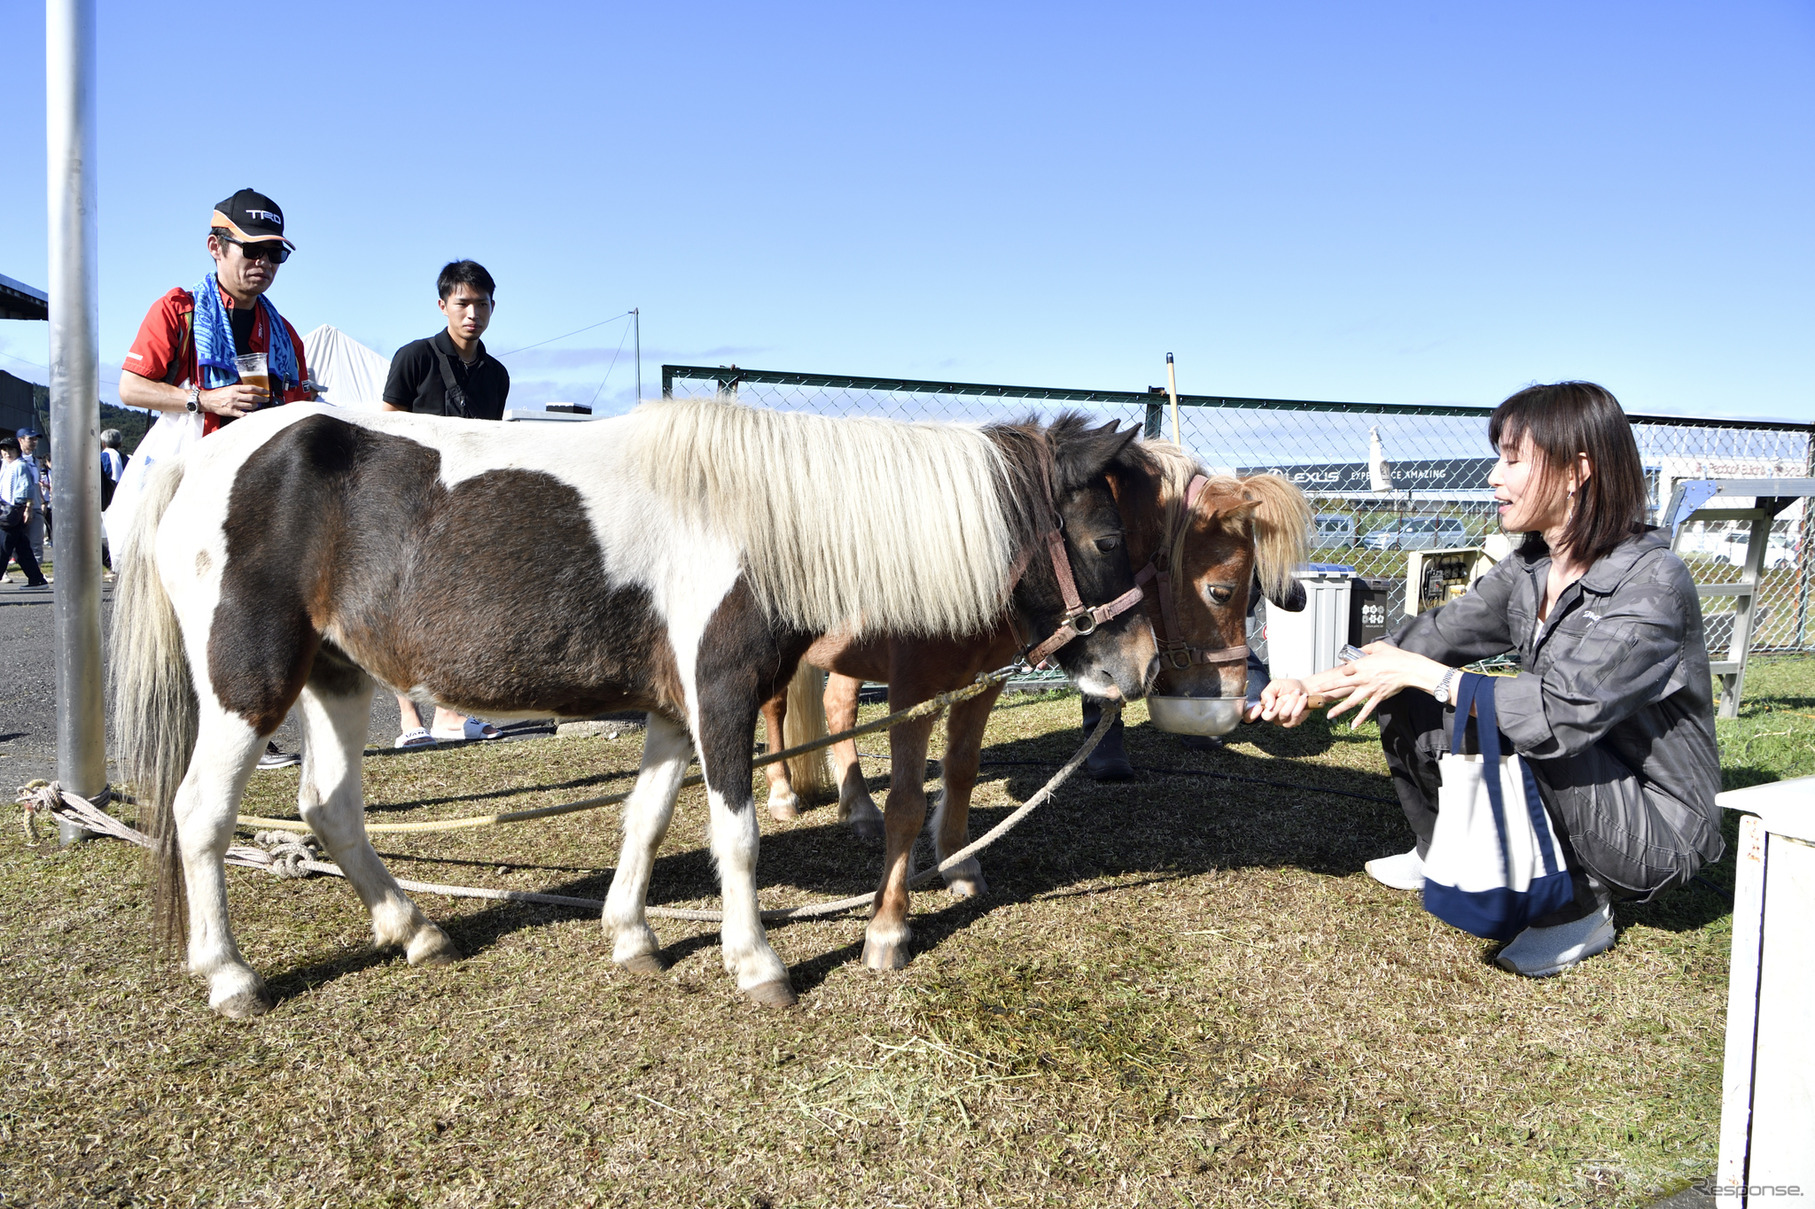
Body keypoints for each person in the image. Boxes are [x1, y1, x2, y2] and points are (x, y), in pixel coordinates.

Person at [1261, 381, 1722, 978]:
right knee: (1411, 689)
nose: (1492, 477)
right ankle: (1442, 854)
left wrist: (1433, 677)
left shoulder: (1650, 584)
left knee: (1504, 717)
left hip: (1654, 825)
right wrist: (1310, 685)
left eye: (1512, 460)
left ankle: (1577, 911)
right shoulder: (1532, 566)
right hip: (1587, 767)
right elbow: (1427, 640)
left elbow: (1562, 714)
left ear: (1576, 471)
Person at [117, 188, 316, 769]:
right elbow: (130, 388)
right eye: (251, 250)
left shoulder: (284, 333)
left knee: (257, 618)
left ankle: (248, 727)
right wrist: (203, 398)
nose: (263, 264)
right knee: (175, 625)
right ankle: (167, 739)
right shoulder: (178, 309)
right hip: (189, 482)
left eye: (275, 255)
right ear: (215, 247)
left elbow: (300, 405)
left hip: (261, 496)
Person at [379, 260, 511, 746]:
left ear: (493, 307)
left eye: (481, 303)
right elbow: (387, 430)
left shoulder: (496, 374)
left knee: (458, 607)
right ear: (443, 306)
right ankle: (409, 720)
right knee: (395, 607)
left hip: (465, 507)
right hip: (409, 501)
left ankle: (451, 716)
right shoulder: (414, 357)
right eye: (463, 303)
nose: (472, 312)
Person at [1, 437, 49, 589]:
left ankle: (37, 579)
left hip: (14, 510)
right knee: (21, 547)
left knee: (3, 547)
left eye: (10, 450)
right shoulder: (6, 466)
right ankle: (37, 579)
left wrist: (27, 507)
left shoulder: (20, 465)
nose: (7, 453)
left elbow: (26, 488)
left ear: (17, 451)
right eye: (4, 450)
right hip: (9, 510)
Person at [14, 427, 46, 564]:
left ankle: (36, 574)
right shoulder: (12, 461)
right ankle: (5, 571)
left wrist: (42, 501)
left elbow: (36, 483)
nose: (34, 442)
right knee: (12, 541)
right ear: (20, 440)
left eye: (35, 439)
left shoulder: (36, 461)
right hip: (16, 506)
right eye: (30, 439)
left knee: (36, 542)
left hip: (36, 506)